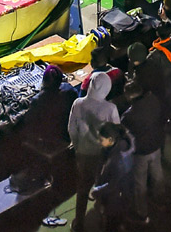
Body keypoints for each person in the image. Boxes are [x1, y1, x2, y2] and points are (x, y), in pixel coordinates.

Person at [68, 70, 120, 232]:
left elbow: (71, 129)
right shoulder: (110, 108)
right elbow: (116, 131)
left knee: (82, 188)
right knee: (103, 186)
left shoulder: (78, 103)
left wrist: (77, 146)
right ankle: (104, 222)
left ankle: (79, 223)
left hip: (83, 154)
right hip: (102, 156)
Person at [120, 80, 163, 221]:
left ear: (129, 96)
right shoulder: (153, 100)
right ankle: (159, 199)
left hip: (141, 151)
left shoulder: (128, 116)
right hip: (156, 145)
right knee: (157, 174)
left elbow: (124, 132)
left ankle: (142, 211)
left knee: (140, 182)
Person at [89, 122, 134, 232]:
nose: (99, 142)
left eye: (101, 140)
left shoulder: (117, 159)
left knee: (111, 222)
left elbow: (113, 184)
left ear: (110, 139)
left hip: (115, 198)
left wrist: (96, 191)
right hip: (116, 195)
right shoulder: (115, 147)